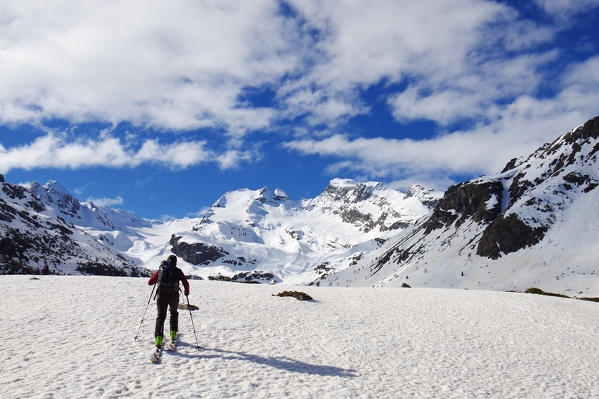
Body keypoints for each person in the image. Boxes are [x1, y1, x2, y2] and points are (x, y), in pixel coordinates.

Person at [148, 254, 189, 348]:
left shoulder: (161, 270)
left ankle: (158, 338)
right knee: (173, 313)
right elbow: (185, 283)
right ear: (176, 262)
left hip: (161, 296)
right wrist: (186, 292)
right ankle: (173, 335)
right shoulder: (178, 271)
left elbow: (150, 282)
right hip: (174, 296)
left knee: (160, 317)